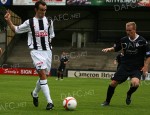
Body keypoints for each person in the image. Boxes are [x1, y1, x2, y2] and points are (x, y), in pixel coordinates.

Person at [4, 1, 55, 110]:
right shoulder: (30, 22)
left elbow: (51, 35)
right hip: (36, 51)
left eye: (45, 10)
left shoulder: (49, 21)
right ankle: (50, 102)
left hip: (48, 52)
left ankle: (35, 93)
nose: (43, 12)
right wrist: (8, 21)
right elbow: (16, 30)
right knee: (42, 74)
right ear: (36, 10)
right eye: (41, 10)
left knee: (44, 76)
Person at [101, 22, 150, 106]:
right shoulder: (123, 40)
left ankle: (129, 94)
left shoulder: (143, 41)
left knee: (135, 83)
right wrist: (109, 49)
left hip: (136, 67)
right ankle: (107, 101)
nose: (128, 32)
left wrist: (146, 66)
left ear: (134, 30)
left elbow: (149, 55)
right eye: (127, 30)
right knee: (113, 83)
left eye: (130, 30)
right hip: (124, 65)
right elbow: (116, 48)